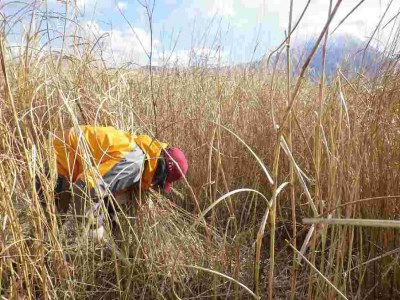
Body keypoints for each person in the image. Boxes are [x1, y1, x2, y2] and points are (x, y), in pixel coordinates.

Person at [36, 125, 188, 240]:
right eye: (161, 182)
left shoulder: (140, 152)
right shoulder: (134, 164)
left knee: (48, 229)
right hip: (60, 161)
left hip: (63, 151)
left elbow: (105, 188)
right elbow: (84, 189)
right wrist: (95, 228)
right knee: (46, 232)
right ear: (161, 171)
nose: (155, 185)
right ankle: (25, 271)